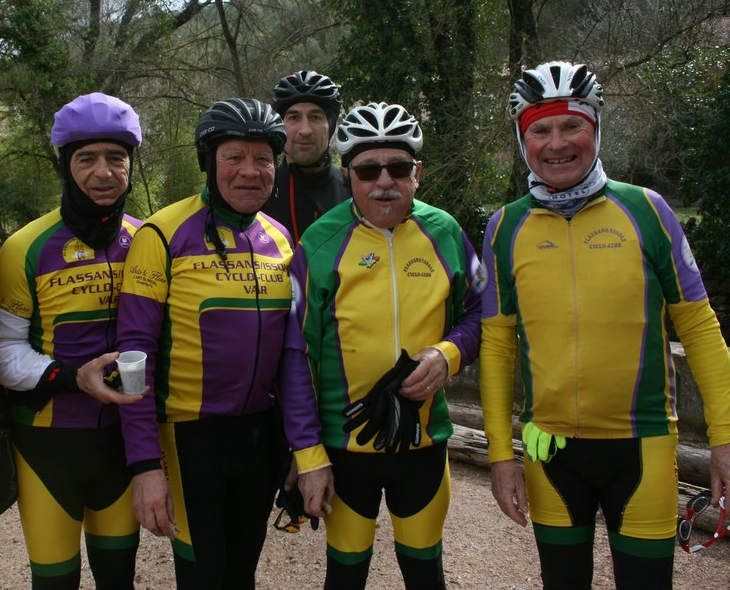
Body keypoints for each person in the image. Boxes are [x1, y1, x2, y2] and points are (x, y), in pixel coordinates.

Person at [480, 60, 730, 589]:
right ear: (522, 141)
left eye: (572, 125)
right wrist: (501, 454)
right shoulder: (505, 227)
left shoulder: (646, 210)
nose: (556, 143)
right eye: (540, 130)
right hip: (550, 450)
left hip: (642, 443)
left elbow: (700, 328)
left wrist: (725, 438)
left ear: (596, 128)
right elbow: (498, 347)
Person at [116, 98, 331, 589]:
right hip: (189, 440)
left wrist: (302, 446)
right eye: (234, 157)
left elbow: (291, 359)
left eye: (263, 159)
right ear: (208, 162)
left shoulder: (282, 240)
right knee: (202, 576)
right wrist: (145, 466)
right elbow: (133, 357)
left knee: (241, 575)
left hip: (259, 438)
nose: (250, 171)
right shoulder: (162, 234)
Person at [287, 102, 483, 589]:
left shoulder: (446, 232)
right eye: (367, 170)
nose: (384, 182)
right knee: (345, 575)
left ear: (418, 172)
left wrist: (448, 355)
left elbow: (481, 313)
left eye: (398, 167)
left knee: (425, 573)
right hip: (344, 446)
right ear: (347, 175)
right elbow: (295, 357)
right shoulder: (320, 242)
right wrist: (308, 454)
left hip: (424, 442)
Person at [0, 92, 147, 590]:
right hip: (48, 443)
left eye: (116, 157)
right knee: (55, 580)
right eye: (86, 159)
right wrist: (70, 377)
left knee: (118, 577)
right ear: (65, 166)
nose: (104, 172)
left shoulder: (147, 240)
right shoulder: (26, 246)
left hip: (123, 440)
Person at [263, 70, 350, 243]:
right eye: (294, 117)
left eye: (315, 117)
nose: (305, 130)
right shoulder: (261, 191)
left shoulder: (352, 190)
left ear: (330, 126)